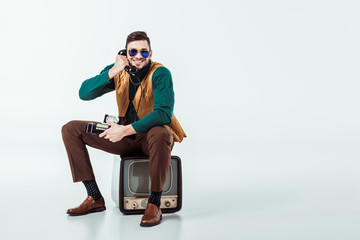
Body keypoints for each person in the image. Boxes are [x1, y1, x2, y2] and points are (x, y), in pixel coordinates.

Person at [61, 31, 186, 227]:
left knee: (162, 131)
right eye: (133, 51)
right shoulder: (119, 70)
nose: (138, 56)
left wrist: (124, 130)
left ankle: (154, 203)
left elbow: (164, 114)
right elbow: (83, 93)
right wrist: (112, 71)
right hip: (124, 139)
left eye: (144, 52)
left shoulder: (161, 73)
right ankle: (94, 197)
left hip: (150, 139)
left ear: (150, 54)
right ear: (125, 53)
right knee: (70, 129)